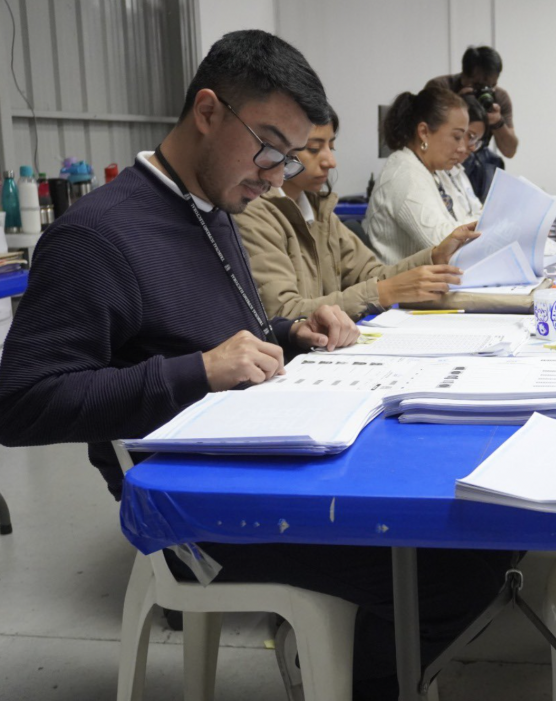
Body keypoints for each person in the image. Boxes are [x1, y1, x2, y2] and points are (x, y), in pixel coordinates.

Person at [0, 30, 507, 701]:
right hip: (192, 508)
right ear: (208, 112)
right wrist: (200, 370)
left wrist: (291, 332)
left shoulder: (214, 206)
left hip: (254, 456)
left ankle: (353, 662)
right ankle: (355, 677)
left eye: (290, 155)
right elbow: (21, 402)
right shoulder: (98, 237)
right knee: (455, 571)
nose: (276, 174)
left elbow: (218, 334)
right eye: (269, 148)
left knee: (473, 529)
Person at [236, 105, 480, 320]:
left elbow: (372, 274)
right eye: (314, 148)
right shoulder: (254, 213)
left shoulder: (320, 212)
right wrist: (386, 292)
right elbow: (284, 314)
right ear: (283, 148)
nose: (330, 162)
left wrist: (436, 255)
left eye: (331, 147)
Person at [365, 85, 476, 264]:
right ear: (424, 132)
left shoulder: (436, 172)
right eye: (456, 137)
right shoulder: (404, 175)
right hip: (404, 289)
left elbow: (463, 219)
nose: (462, 148)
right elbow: (444, 245)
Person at [427, 45, 518, 159]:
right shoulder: (441, 88)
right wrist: (456, 104)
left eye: (490, 86)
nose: (484, 92)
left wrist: (498, 122)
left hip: (476, 159)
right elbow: (428, 136)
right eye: (478, 85)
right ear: (463, 76)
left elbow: (510, 151)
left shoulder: (499, 98)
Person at [447, 95, 487, 214]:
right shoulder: (436, 172)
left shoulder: (459, 171)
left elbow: (478, 211)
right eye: (471, 136)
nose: (473, 147)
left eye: (477, 141)